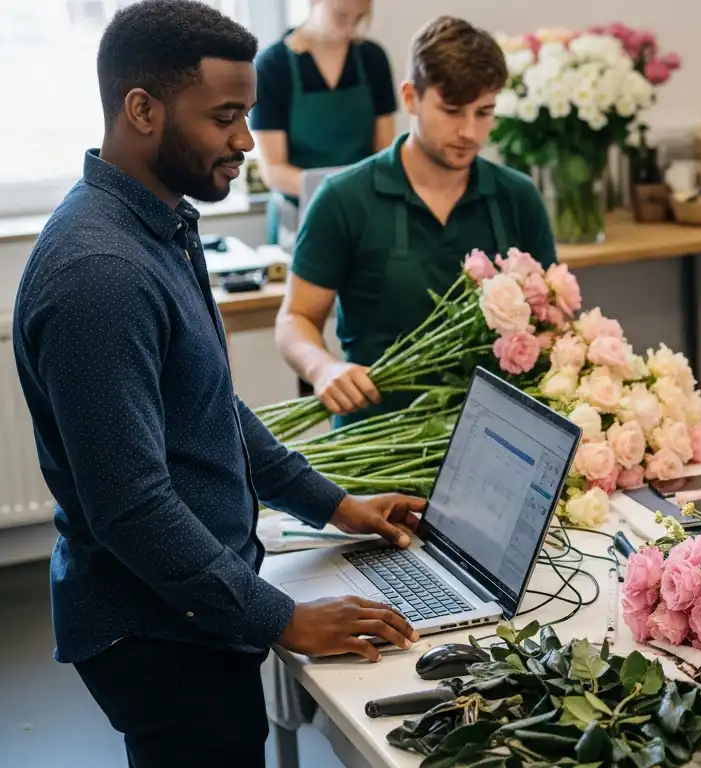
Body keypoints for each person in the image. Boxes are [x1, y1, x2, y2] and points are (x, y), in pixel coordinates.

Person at [13, 3, 426, 764]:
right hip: (159, 627)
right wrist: (280, 619)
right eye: (225, 116)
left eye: (248, 115)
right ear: (142, 110)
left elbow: (208, 405)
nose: (245, 140)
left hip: (193, 602)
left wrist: (334, 505)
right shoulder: (100, 276)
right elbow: (130, 507)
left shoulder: (158, 221)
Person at [276, 15, 558, 428]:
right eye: (451, 110)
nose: (469, 131)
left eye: (484, 112)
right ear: (410, 98)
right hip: (378, 447)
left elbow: (553, 319)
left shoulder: (517, 197)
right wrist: (322, 369)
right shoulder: (343, 199)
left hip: (496, 439)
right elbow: (294, 319)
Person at [250, 0, 398, 245]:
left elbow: (384, 152)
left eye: (359, 18)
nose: (350, 28)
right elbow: (273, 170)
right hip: (299, 216)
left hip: (365, 215)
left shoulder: (372, 59)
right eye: (341, 16)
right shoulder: (273, 66)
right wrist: (336, 192)